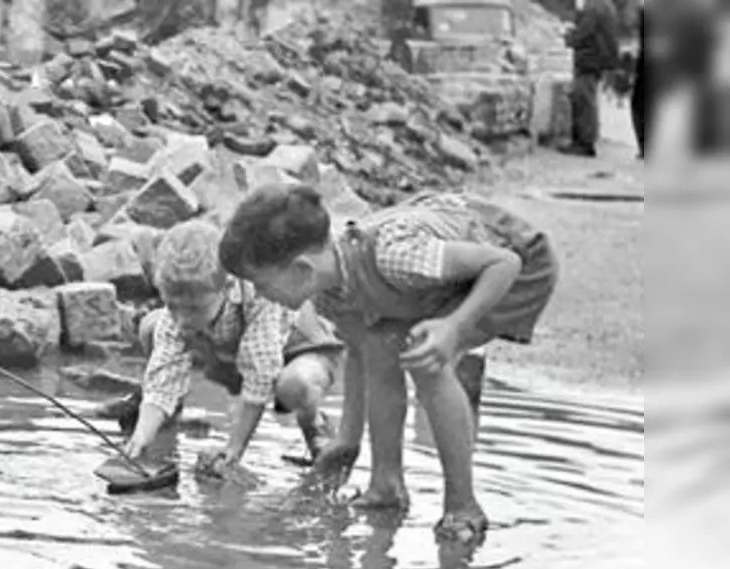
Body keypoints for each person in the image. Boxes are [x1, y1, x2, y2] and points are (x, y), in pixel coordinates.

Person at [219, 185, 559, 544]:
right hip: (442, 278)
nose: (258, 294)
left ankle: (464, 506)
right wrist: (348, 440)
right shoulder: (326, 291)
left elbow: (504, 263)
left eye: (260, 283)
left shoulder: (396, 256)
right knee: (381, 344)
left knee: (424, 354)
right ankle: (386, 486)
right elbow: (358, 352)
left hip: (514, 263)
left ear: (301, 270)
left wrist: (454, 327)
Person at [114, 219, 343, 477]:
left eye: (193, 309)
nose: (182, 319)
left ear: (228, 287)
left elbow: (259, 378)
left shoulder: (261, 293)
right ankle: (165, 422)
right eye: (173, 307)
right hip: (233, 353)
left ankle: (314, 426)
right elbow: (164, 370)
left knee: (295, 385)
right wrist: (140, 438)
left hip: (296, 351)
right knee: (152, 327)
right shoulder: (181, 310)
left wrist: (233, 451)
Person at [562, 0, 622, 156]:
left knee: (584, 99)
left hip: (590, 59)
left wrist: (567, 37)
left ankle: (585, 143)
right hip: (598, 59)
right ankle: (584, 140)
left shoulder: (594, 7)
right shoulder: (605, 5)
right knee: (587, 98)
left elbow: (585, 32)